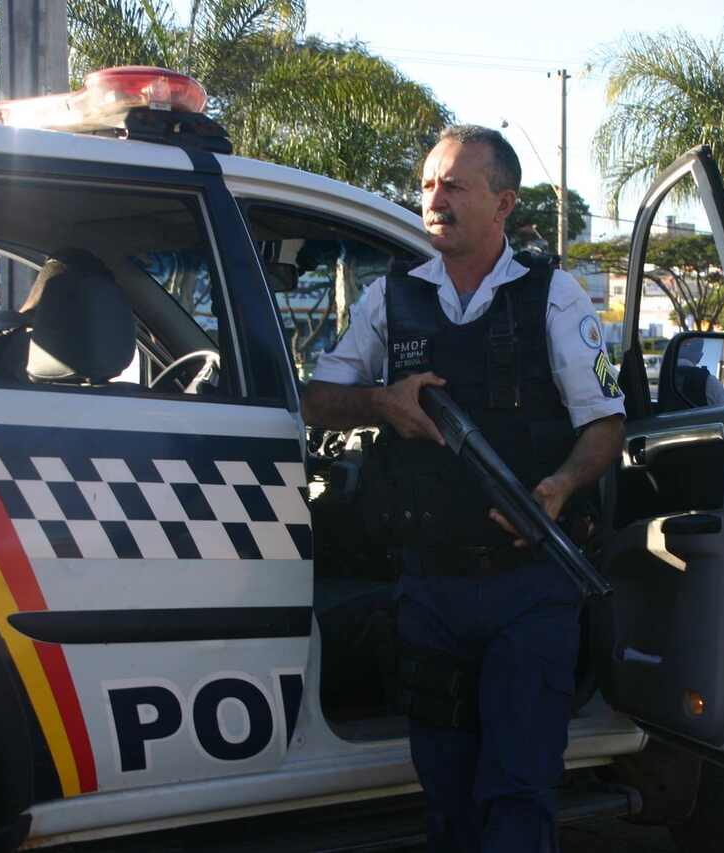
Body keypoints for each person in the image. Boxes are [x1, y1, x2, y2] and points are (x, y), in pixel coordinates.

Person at [301, 125, 626, 853]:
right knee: (445, 798)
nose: (434, 198)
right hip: (431, 588)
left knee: (517, 791)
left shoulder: (554, 296)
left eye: (453, 185)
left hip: (528, 583)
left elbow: (606, 424)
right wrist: (383, 402)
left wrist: (560, 485)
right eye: (427, 185)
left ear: (503, 201)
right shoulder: (393, 299)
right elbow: (319, 400)